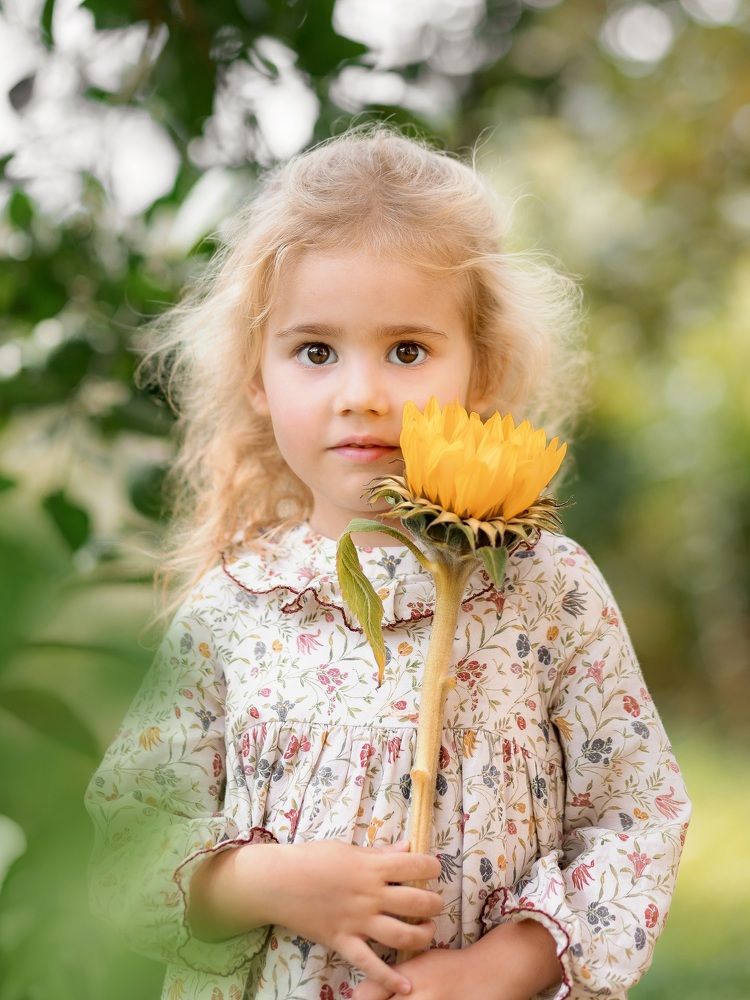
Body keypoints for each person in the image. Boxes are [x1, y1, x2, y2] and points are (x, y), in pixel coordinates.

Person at [84, 123, 691, 1000]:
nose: (361, 393)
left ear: (480, 369)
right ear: (259, 375)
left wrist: (495, 971)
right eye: (315, 351)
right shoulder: (233, 609)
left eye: (407, 350)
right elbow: (122, 851)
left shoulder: (544, 587)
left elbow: (638, 816)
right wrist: (270, 883)